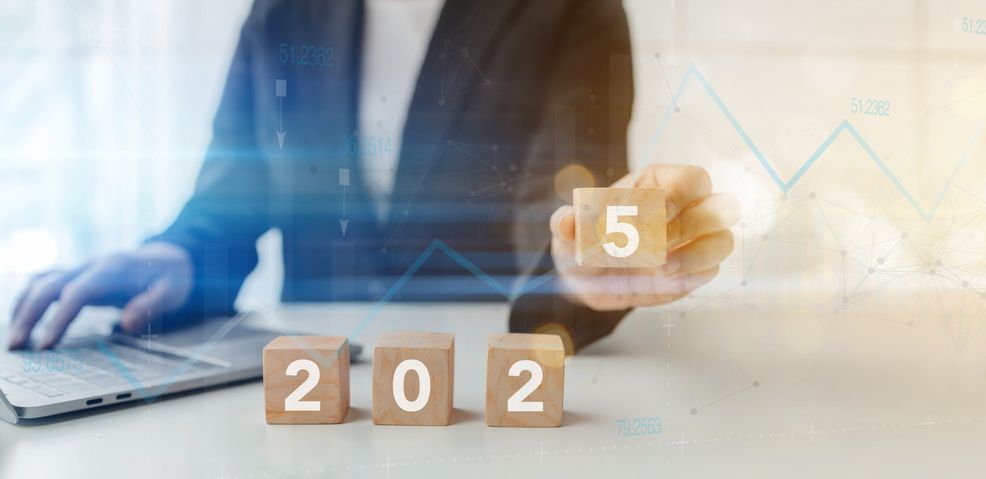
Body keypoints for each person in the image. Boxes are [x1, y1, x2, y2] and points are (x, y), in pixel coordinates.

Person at [7, 0, 738, 354]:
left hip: (488, 390)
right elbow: (233, 194)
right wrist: (181, 253)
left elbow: (565, 195)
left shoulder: (571, 9)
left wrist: (576, 271)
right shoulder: (283, 10)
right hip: (309, 390)